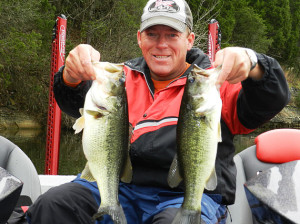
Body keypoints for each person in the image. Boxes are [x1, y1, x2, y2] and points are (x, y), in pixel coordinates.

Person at [26, 0, 290, 223]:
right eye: (152, 34)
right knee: (53, 205)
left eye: (172, 35)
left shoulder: (213, 83)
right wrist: (71, 75)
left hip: (185, 195)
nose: (161, 44)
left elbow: (269, 100)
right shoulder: (117, 78)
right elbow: (73, 103)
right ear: (139, 38)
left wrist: (255, 63)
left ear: (189, 39)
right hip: (118, 187)